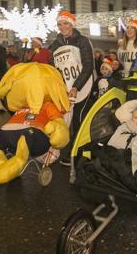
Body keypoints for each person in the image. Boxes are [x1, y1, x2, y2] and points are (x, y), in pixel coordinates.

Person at [50, 11, 95, 166]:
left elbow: (89, 66)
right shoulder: (55, 43)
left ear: (72, 24)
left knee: (79, 119)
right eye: (60, 24)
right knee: (64, 119)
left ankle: (76, 153)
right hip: (65, 88)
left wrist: (76, 86)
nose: (63, 27)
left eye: (66, 23)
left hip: (83, 85)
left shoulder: (82, 41)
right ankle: (70, 148)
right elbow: (53, 68)